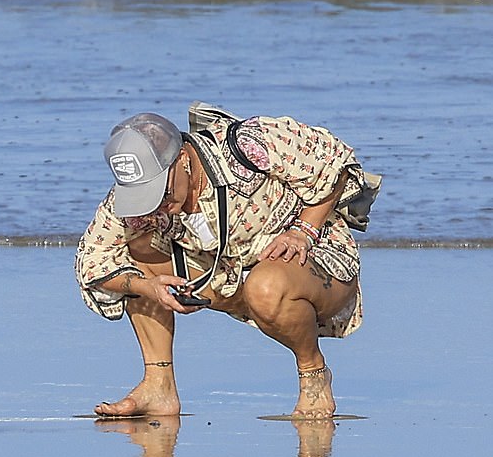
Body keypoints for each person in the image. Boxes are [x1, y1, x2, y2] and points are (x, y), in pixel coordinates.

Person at [74, 101, 381, 419]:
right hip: (227, 277)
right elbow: (91, 259)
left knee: (266, 286)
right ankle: (158, 387)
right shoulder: (136, 195)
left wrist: (304, 230)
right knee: (133, 252)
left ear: (182, 160)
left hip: (312, 265)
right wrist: (148, 286)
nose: (156, 206)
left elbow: (336, 160)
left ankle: (313, 372)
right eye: (143, 195)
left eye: (161, 193)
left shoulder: (249, 144)